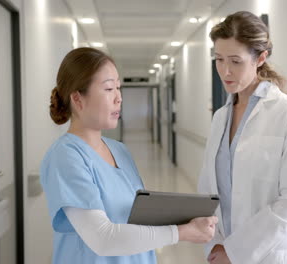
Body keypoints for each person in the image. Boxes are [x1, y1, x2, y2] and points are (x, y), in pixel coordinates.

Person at [40, 47, 218, 264]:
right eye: (108, 89)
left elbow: (134, 220)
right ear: (78, 99)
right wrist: (181, 232)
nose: (118, 98)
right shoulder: (66, 157)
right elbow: (104, 239)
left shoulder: (119, 151)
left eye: (118, 87)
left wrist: (187, 219)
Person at [197, 11, 287, 264]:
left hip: (270, 254)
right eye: (219, 60)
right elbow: (208, 188)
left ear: (260, 58)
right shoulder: (220, 118)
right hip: (220, 251)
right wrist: (216, 244)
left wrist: (236, 251)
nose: (225, 71)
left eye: (236, 61)